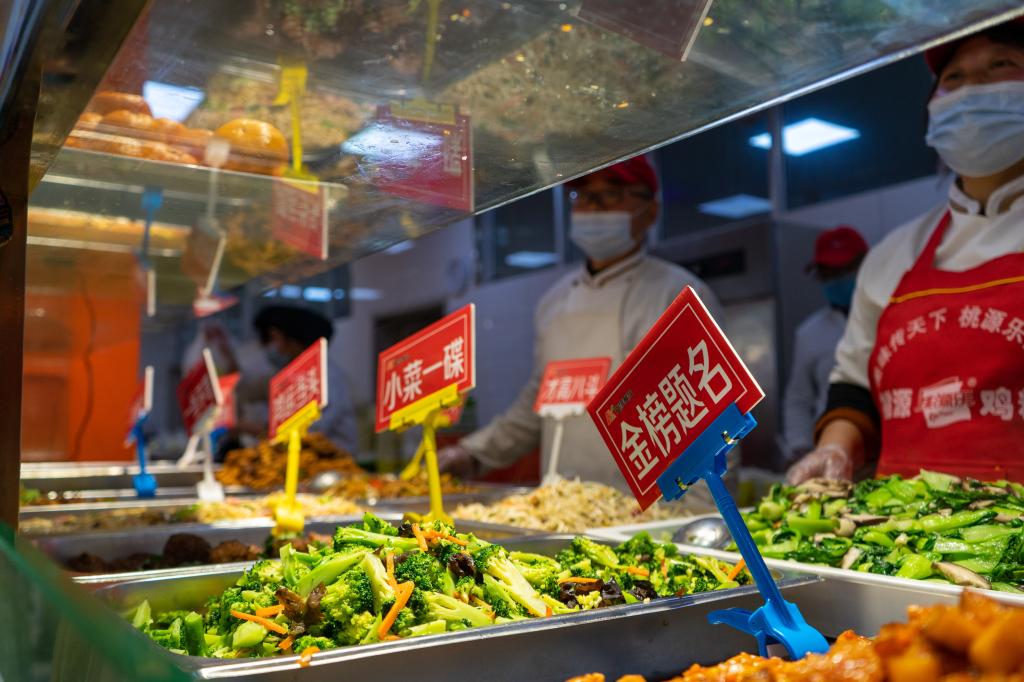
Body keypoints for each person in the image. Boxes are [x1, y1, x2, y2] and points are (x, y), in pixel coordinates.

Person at [787, 19, 1024, 484]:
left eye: (1000, 64)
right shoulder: (892, 255)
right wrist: (835, 447)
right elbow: (854, 385)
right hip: (900, 522)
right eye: (954, 76)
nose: (971, 87)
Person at [438, 156, 722, 493]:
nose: (594, 206)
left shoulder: (678, 295)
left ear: (651, 211)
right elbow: (536, 406)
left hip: (651, 511)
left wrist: (702, 511)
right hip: (560, 507)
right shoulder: (553, 303)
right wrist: (470, 454)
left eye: (612, 194)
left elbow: (715, 416)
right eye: (583, 196)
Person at [782, 226, 868, 459]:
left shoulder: (888, 315)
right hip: (831, 448)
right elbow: (798, 398)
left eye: (843, 271)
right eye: (828, 274)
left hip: (885, 443)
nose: (836, 280)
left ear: (866, 266)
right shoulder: (809, 333)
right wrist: (799, 446)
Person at [248, 305, 360, 455]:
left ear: (295, 341)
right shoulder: (295, 376)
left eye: (276, 338)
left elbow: (314, 429)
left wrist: (259, 430)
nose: (276, 347)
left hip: (330, 461)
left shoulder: (326, 377)